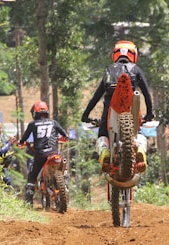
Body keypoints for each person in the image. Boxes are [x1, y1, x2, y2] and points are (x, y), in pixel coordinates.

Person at [81, 40, 154, 171]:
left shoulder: (109, 70)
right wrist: (149, 114)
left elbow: (96, 96)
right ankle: (141, 152)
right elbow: (147, 94)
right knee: (139, 133)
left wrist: (85, 115)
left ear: (115, 55)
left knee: (102, 133)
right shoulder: (136, 69)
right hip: (132, 108)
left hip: (110, 109)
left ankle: (105, 153)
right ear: (133, 55)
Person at [18, 101, 68, 206]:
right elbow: (65, 135)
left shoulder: (33, 124)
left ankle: (29, 201)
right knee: (64, 165)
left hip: (41, 154)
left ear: (35, 113)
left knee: (32, 175)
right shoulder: (53, 122)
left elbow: (23, 139)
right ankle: (66, 183)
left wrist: (21, 143)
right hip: (54, 152)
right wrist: (61, 139)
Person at [0, 119, 16, 186]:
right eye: (0, 128)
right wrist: (9, 143)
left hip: (2, 165)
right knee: (7, 181)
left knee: (8, 181)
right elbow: (0, 151)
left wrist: (8, 141)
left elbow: (2, 146)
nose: (1, 129)